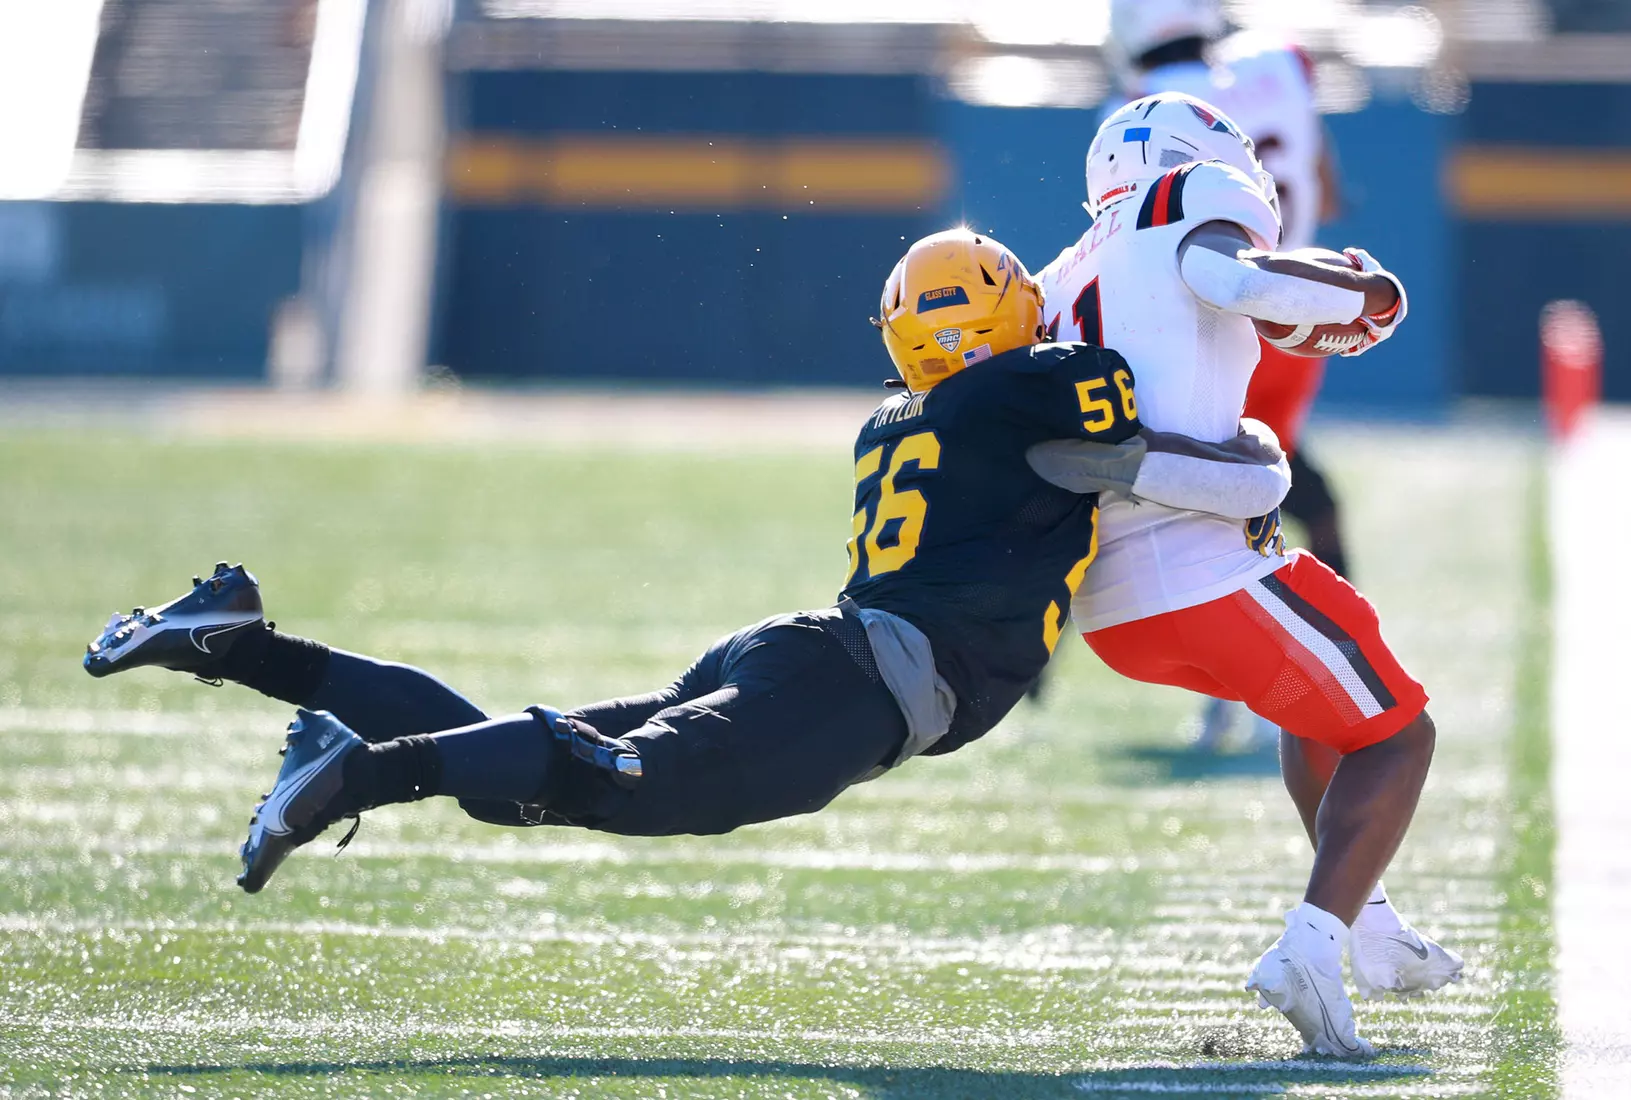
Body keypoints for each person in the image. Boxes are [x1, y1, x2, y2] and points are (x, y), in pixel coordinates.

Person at [81, 228, 1293, 903]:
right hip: (848, 686)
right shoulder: (1025, 393)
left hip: (818, 657)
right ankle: (351, 774)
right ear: (992, 322)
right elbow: (1149, 433)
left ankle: (246, 645)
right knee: (600, 777)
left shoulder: (906, 416)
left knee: (529, 771)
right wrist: (1256, 459)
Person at [1035, 93, 1460, 1057]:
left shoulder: (1062, 272)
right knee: (1398, 734)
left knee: (1318, 713)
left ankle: (1370, 929)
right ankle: (1308, 950)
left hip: (1111, 609)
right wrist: (1360, 294)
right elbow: (1233, 277)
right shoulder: (1188, 198)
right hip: (1196, 565)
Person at [1107, 0, 1353, 750]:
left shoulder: (1129, 112)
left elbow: (1124, 236)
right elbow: (1325, 186)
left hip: (1205, 318)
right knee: (1275, 478)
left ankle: (1255, 680)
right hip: (1294, 311)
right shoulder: (1279, 63)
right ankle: (1336, 651)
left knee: (1181, 485)